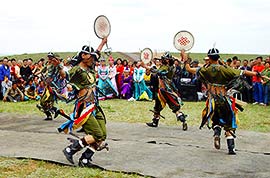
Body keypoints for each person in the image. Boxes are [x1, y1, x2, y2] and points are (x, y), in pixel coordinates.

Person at [182, 48, 265, 155]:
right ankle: (231, 148)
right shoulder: (225, 69)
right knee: (229, 122)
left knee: (215, 119)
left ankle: (216, 133)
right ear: (218, 57)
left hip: (212, 100)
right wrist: (257, 74)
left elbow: (188, 69)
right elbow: (243, 72)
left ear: (209, 58)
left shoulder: (205, 70)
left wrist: (185, 57)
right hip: (224, 99)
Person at [61, 37, 108, 167]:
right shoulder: (76, 70)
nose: (93, 58)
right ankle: (70, 149)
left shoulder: (90, 66)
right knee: (97, 134)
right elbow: (66, 76)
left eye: (93, 56)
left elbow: (97, 52)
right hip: (84, 107)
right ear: (83, 56)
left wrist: (103, 42)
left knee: (103, 135)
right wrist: (69, 86)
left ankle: (85, 159)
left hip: (95, 106)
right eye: (90, 56)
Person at [146, 52, 188, 130]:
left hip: (163, 91)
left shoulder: (165, 67)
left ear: (167, 60)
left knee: (158, 106)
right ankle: (183, 120)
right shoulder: (172, 67)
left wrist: (148, 67)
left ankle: (155, 122)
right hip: (170, 91)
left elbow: (158, 72)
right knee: (175, 108)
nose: (162, 60)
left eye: (163, 59)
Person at [36, 52, 67, 120]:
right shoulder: (48, 64)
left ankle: (56, 110)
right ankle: (51, 113)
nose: (50, 59)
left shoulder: (58, 66)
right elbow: (43, 71)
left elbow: (63, 75)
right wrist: (36, 74)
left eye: (51, 57)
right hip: (47, 86)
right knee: (43, 102)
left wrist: (58, 64)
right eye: (49, 57)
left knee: (45, 101)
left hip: (53, 87)